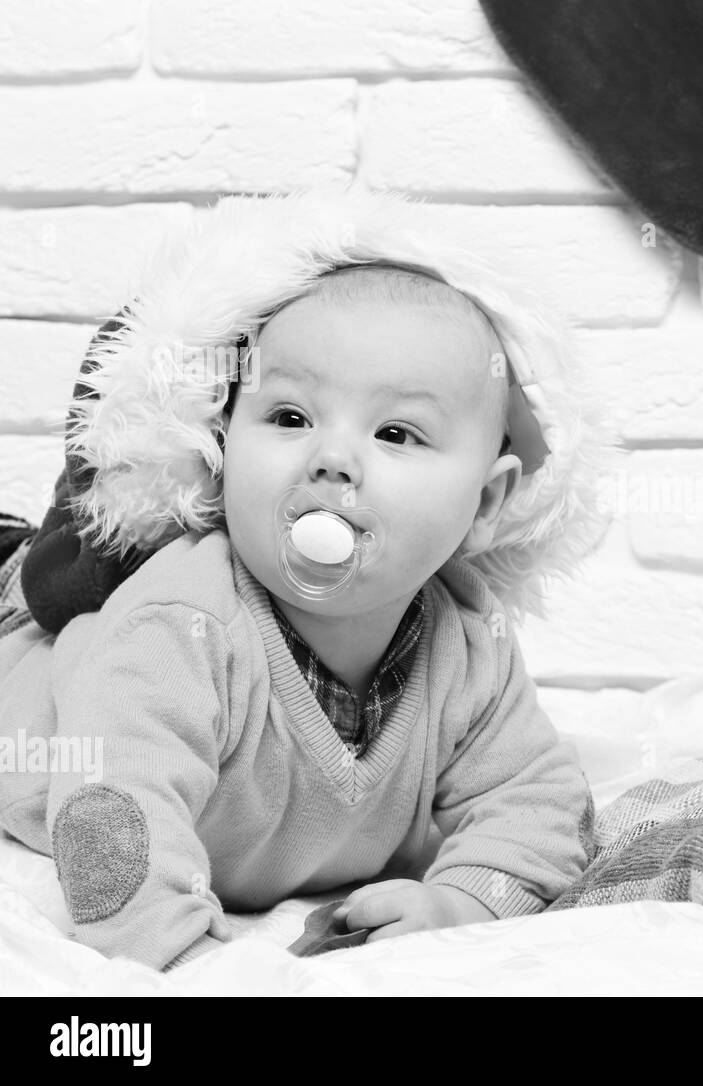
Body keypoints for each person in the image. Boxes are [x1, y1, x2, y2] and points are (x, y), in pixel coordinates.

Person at [0, 187, 615, 970]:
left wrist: (460, 901)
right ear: (223, 445)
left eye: (396, 433)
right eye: (290, 417)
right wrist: (187, 962)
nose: (331, 457)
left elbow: (542, 803)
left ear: (486, 503)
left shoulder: (468, 642)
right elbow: (108, 821)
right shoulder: (181, 624)